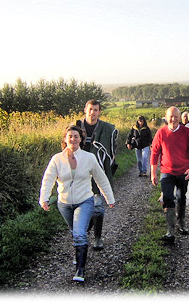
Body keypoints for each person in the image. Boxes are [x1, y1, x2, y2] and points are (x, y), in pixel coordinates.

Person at [39, 125, 115, 282]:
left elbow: (100, 178)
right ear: (65, 139)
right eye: (70, 136)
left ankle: (80, 270)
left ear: (81, 139)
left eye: (76, 136)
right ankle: (79, 253)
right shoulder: (57, 159)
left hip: (85, 200)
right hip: (64, 203)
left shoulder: (89, 158)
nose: (73, 139)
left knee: (80, 233)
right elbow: (48, 179)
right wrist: (44, 197)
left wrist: (109, 198)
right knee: (76, 232)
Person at [150, 106, 189, 244]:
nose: (173, 119)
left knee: (181, 197)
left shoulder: (187, 132)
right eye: (171, 116)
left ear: (179, 118)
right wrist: (153, 173)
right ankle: (170, 231)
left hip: (183, 172)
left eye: (176, 116)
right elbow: (154, 153)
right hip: (167, 171)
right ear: (166, 117)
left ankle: (181, 223)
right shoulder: (161, 133)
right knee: (167, 197)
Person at [76, 100, 118, 251]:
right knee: (80, 205)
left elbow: (112, 151)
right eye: (90, 109)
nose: (92, 112)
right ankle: (83, 231)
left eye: (95, 110)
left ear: (99, 112)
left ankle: (98, 238)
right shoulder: (76, 127)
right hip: (79, 173)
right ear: (85, 109)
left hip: (98, 171)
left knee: (98, 206)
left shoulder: (106, 129)